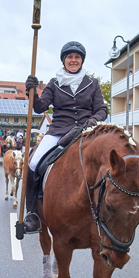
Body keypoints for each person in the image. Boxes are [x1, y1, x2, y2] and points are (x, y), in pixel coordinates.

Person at [22, 41, 108, 233]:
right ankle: (32, 213)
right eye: (70, 57)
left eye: (77, 57)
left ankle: (107, 209)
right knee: (34, 163)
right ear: (64, 61)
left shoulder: (92, 83)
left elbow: (102, 109)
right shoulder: (54, 83)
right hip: (59, 131)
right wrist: (33, 92)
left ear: (82, 60)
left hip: (87, 131)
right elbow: (40, 107)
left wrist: (93, 120)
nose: (73, 60)